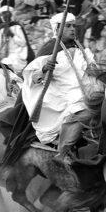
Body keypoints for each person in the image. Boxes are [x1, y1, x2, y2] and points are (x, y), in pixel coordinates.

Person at [19, 12, 99, 166]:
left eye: (73, 26)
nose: (72, 29)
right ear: (57, 29)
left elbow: (92, 70)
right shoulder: (49, 49)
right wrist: (43, 69)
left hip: (89, 90)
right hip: (64, 96)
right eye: (67, 26)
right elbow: (32, 78)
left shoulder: (81, 48)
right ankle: (63, 152)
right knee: (84, 110)